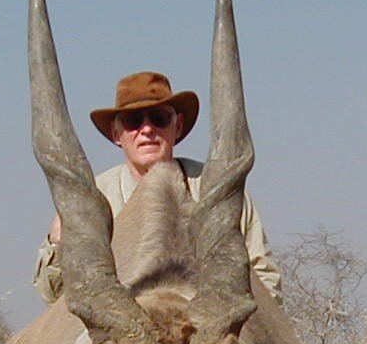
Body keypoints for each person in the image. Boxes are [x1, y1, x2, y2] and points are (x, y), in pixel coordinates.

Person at [33, 71, 282, 304]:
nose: (147, 129)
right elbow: (51, 295)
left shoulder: (219, 191)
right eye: (133, 121)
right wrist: (57, 244)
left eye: (159, 118)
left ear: (178, 126)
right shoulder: (92, 198)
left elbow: (265, 281)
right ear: (117, 134)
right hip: (120, 342)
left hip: (207, 339)